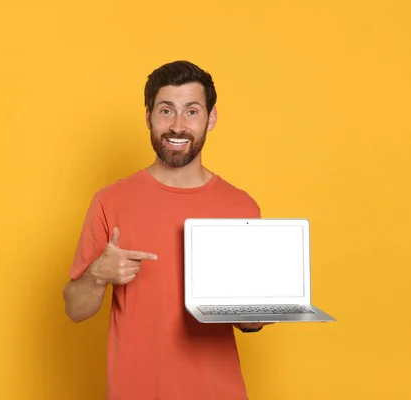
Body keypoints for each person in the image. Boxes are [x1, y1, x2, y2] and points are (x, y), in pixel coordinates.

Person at [63, 60, 270, 400]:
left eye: (191, 111)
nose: (177, 126)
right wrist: (97, 275)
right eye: (165, 111)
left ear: (211, 118)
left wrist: (261, 309)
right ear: (148, 117)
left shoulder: (241, 207)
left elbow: (249, 324)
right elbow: (75, 309)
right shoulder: (110, 201)